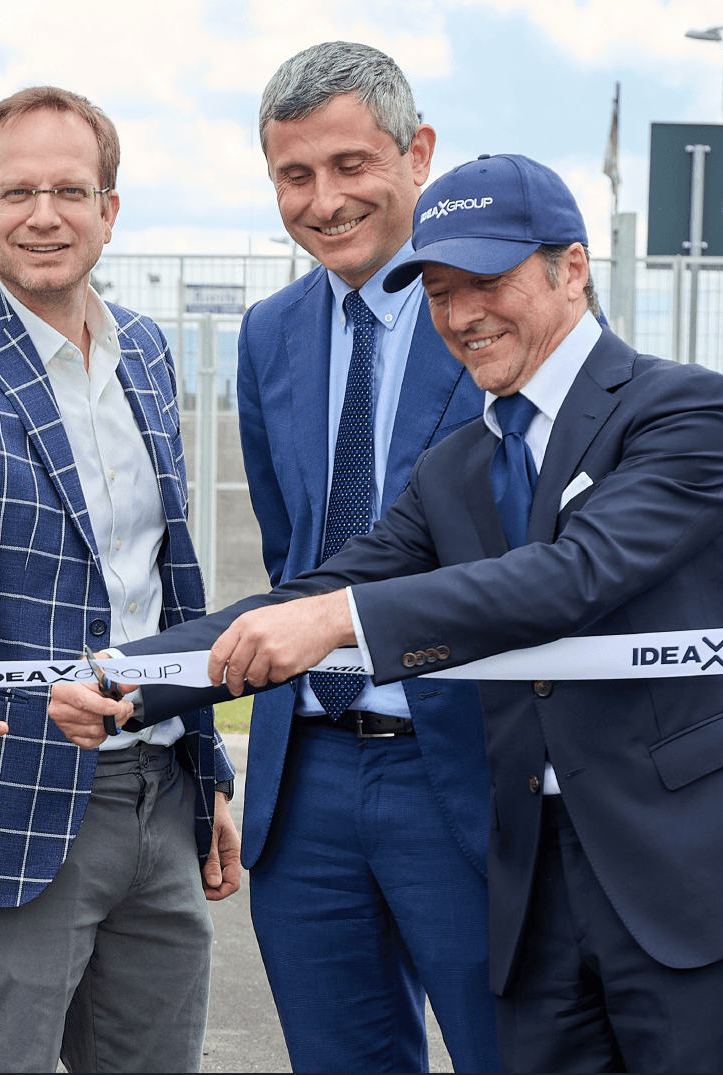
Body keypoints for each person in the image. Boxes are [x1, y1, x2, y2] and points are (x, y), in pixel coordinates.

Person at [76, 154, 723, 1072]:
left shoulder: (679, 407)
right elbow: (312, 588)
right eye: (441, 293)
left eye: (486, 282)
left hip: (690, 872)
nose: (460, 316)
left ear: (571, 268)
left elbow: (572, 576)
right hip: (532, 889)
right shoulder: (456, 464)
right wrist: (133, 676)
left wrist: (342, 621)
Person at [0, 86, 238, 1074]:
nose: (43, 214)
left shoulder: (146, 352)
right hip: (13, 795)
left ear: (110, 210)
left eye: (71, 189)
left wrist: (210, 768)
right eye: (15, 190)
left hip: (160, 785)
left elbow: (165, 579)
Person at [230, 42, 496, 1071]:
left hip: (463, 763)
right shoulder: (267, 335)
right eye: (295, 175)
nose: (324, 199)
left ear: (418, 151)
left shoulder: (496, 307)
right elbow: (291, 547)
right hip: (308, 784)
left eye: (351, 165)